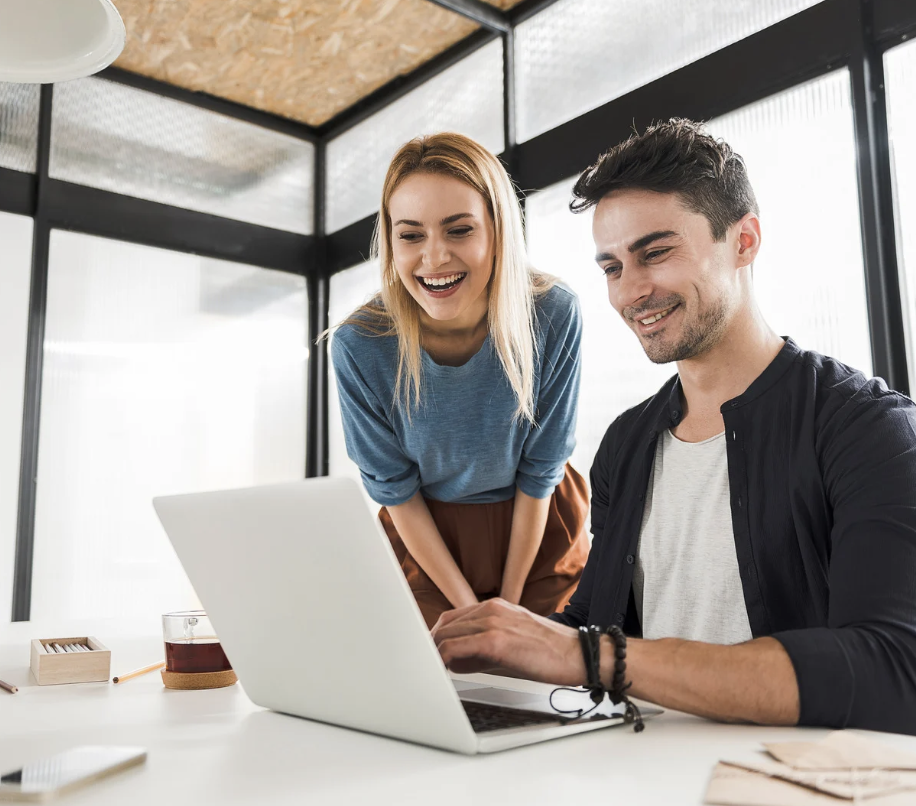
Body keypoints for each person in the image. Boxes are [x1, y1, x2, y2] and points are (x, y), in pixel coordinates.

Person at [431, 119, 916, 734]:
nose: (630, 291)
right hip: (639, 774)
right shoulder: (628, 443)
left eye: (655, 253)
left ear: (744, 241)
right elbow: (593, 622)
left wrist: (588, 655)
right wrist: (492, 646)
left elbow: (893, 670)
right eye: (611, 267)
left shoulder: (869, 429)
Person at [331, 132, 589, 629]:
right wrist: (472, 610)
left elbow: (542, 470)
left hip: (537, 525)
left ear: (497, 231)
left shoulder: (554, 314)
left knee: (544, 675)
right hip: (426, 539)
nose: (434, 258)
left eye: (459, 230)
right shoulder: (359, 345)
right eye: (410, 235)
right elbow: (396, 491)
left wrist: (509, 609)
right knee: (442, 682)